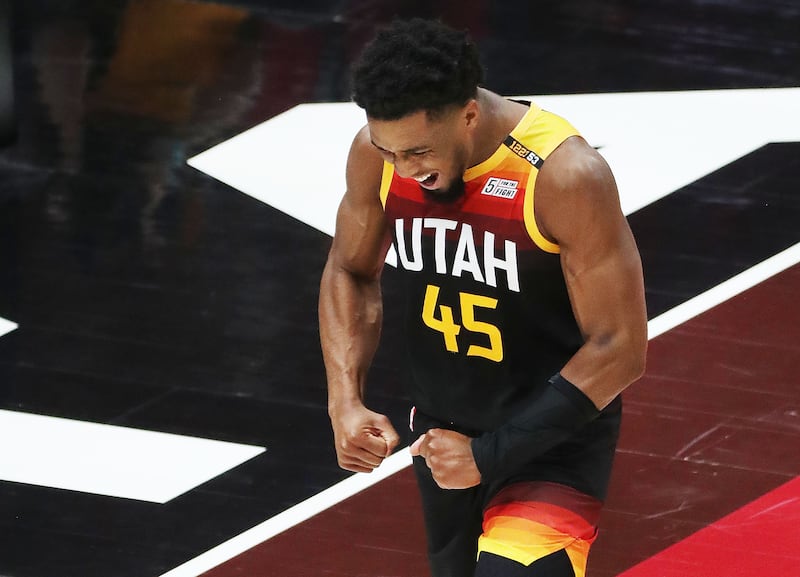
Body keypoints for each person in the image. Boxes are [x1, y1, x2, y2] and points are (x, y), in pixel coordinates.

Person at [319, 18, 647, 577]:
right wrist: (344, 399)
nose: (405, 171)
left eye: (419, 152)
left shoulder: (563, 174)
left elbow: (620, 347)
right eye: (389, 151)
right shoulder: (378, 156)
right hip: (441, 438)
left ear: (469, 114)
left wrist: (489, 456)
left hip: (551, 439)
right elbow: (350, 270)